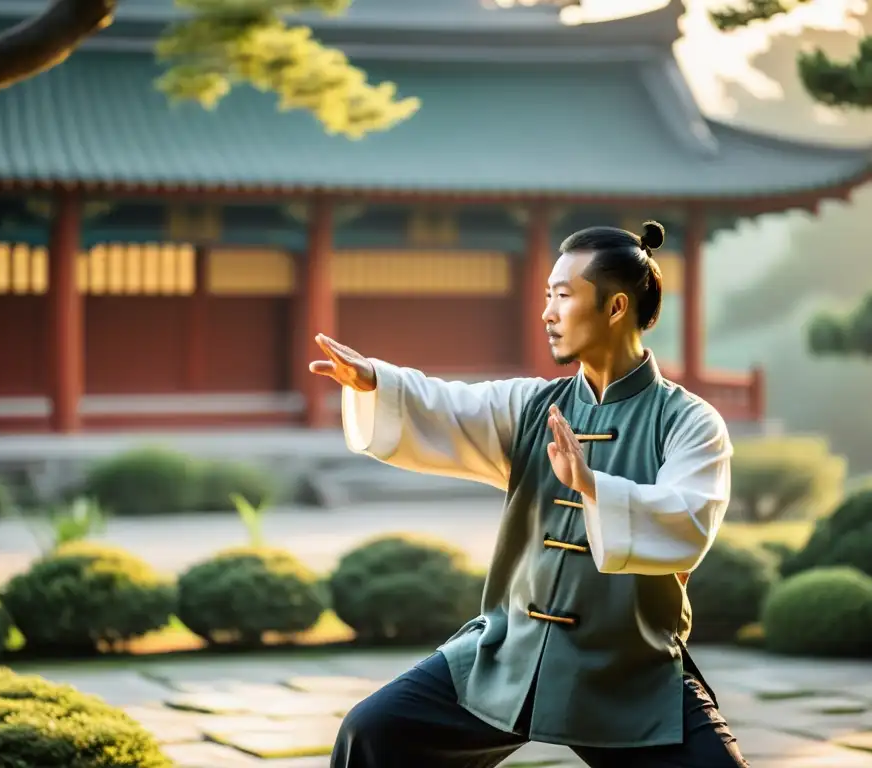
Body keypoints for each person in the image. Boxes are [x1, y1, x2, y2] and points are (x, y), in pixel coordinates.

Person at [310, 221, 749, 768]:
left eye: (563, 296)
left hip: (627, 667)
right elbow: (451, 406)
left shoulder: (687, 422)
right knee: (373, 734)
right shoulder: (533, 406)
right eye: (547, 296)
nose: (547, 313)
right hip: (509, 652)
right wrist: (378, 381)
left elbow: (689, 521)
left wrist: (591, 486)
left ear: (615, 308)